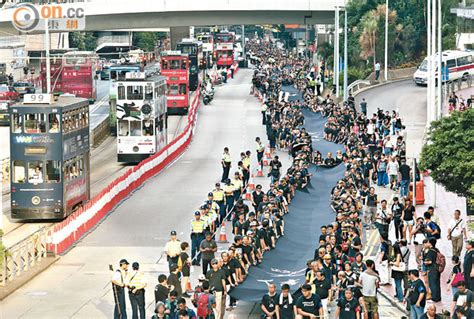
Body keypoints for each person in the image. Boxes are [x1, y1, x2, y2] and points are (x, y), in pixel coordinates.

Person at [423, 238, 441, 302]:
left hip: (432, 269)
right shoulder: (436, 250)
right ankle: (438, 297)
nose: (426, 244)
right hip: (437, 268)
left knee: (432, 284)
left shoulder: (430, 251)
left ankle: (434, 298)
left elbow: (429, 261)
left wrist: (425, 262)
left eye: (427, 242)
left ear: (430, 243)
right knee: (437, 283)